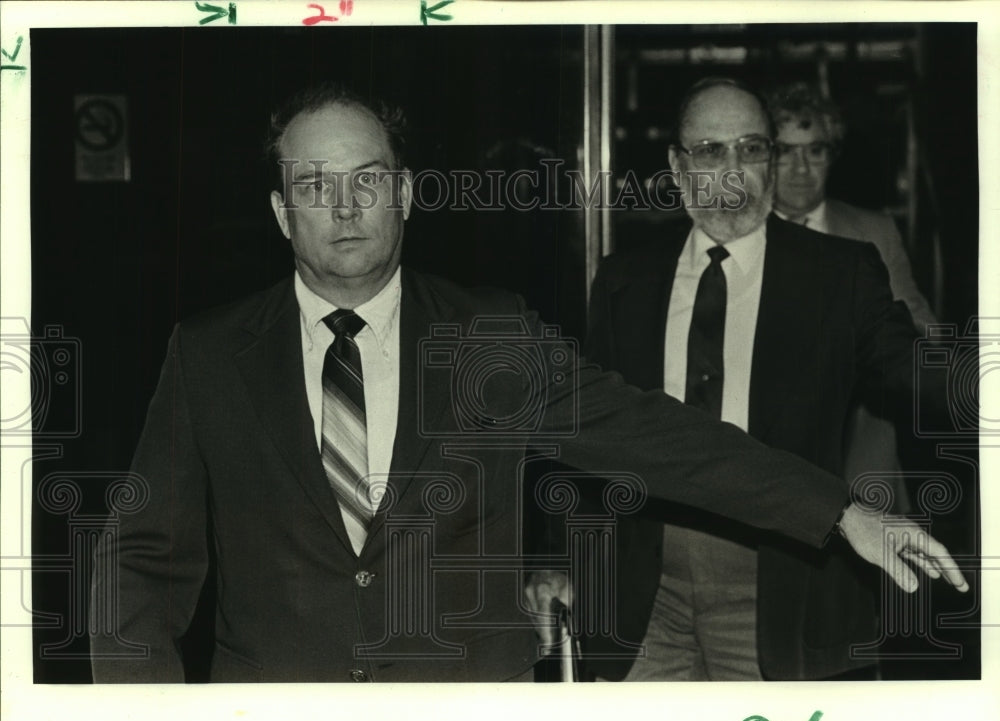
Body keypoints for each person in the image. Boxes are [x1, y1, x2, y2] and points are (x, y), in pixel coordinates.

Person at [89, 81, 966, 683]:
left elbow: (657, 437)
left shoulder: (487, 334)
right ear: (282, 211)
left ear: (407, 195)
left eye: (368, 181)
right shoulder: (207, 355)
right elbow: (141, 559)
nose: (345, 207)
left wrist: (841, 511)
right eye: (315, 185)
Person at [540, 77, 960, 682]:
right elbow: (588, 435)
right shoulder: (624, 280)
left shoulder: (837, 275)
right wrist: (559, 559)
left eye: (752, 149)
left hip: (783, 589)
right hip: (644, 595)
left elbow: (914, 368)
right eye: (710, 152)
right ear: (677, 166)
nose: (733, 172)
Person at [767, 81, 936, 514]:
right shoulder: (742, 236)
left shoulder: (875, 231)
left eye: (816, 150)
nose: (801, 168)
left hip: (862, 457)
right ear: (763, 157)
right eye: (786, 152)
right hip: (765, 460)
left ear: (833, 155)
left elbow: (923, 332)